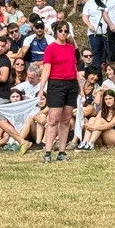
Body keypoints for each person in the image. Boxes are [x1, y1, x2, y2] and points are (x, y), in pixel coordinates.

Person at [38, 20, 78, 164]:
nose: (63, 33)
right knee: (53, 119)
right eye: (61, 31)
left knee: (66, 120)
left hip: (71, 83)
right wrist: (41, 89)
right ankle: (48, 151)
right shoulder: (51, 48)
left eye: (66, 31)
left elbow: (74, 68)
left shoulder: (70, 48)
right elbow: (46, 69)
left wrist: (80, 87)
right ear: (56, 32)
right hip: (56, 83)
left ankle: (62, 151)